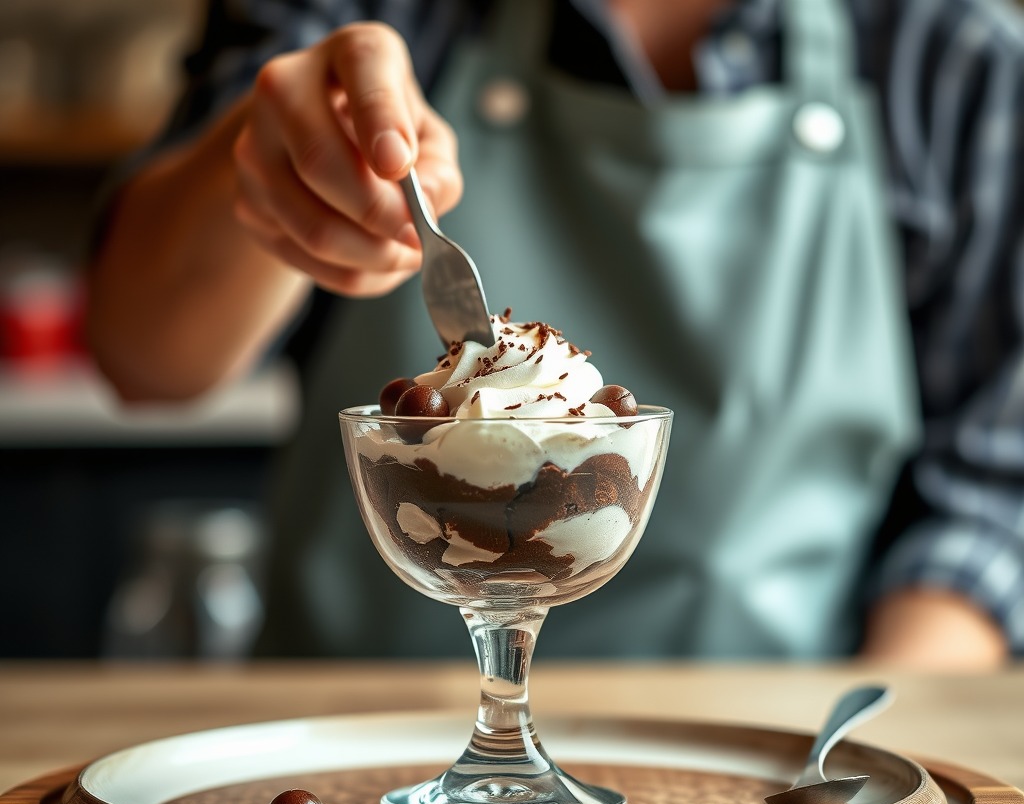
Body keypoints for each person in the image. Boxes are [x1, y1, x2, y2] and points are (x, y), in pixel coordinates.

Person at [85, 0, 1024, 669]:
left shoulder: (951, 56)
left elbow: (994, 493)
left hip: (770, 747)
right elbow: (143, 357)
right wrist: (264, 159)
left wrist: (852, 750)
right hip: (346, 756)